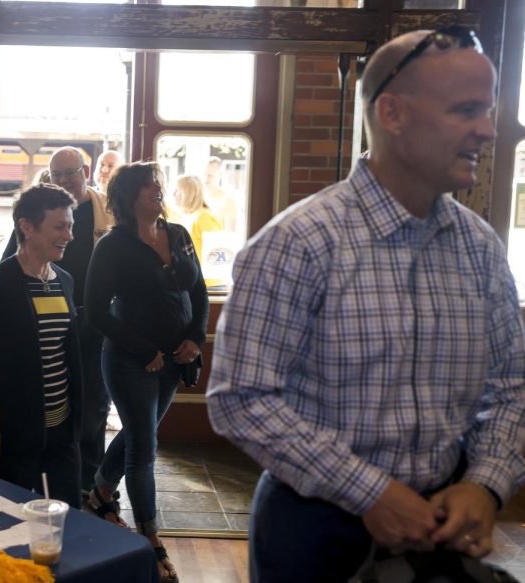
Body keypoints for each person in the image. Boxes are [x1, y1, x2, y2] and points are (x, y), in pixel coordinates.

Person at [206, 27, 525, 583]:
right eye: (467, 110)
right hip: (315, 527)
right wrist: (370, 492)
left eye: (489, 110)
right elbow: (240, 399)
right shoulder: (300, 242)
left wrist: (486, 481)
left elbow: (512, 386)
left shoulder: (479, 248)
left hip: (443, 519)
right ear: (394, 115)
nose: (488, 130)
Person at [85, 162, 209, 583]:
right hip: (130, 361)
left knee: (142, 432)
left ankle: (100, 491)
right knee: (143, 449)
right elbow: (98, 311)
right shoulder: (113, 246)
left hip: (175, 361)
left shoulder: (177, 235)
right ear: (129, 197)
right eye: (148, 185)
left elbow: (198, 290)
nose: (158, 189)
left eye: (158, 183)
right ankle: (151, 540)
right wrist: (144, 349)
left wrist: (196, 337)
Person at [3, 146, 115, 504]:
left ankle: (88, 479)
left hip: (95, 322)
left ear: (86, 171)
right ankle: (58, 477)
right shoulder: (42, 213)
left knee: (95, 402)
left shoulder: (108, 212)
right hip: (53, 320)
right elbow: (12, 260)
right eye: (57, 175)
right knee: (58, 400)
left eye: (71, 172)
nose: (64, 180)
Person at [0, 184, 83, 508]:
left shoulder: (64, 281)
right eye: (59, 226)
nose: (69, 235)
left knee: (67, 520)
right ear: (27, 227)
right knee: (8, 521)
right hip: (15, 433)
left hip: (61, 431)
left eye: (70, 225)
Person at [170, 174, 222, 260]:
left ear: (189, 193)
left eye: (177, 190)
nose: (173, 194)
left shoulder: (204, 217)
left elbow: (217, 254)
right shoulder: (190, 216)